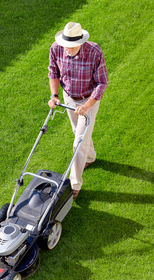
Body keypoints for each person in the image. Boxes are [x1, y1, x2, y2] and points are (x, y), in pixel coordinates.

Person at [48, 22, 108, 199]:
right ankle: (90, 158)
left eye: (71, 47)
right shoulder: (56, 48)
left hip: (88, 99)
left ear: (80, 42)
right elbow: (53, 72)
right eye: (65, 46)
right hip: (68, 98)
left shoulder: (94, 52)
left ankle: (74, 185)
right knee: (79, 133)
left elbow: (102, 83)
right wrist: (54, 95)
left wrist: (87, 106)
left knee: (78, 142)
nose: (67, 50)